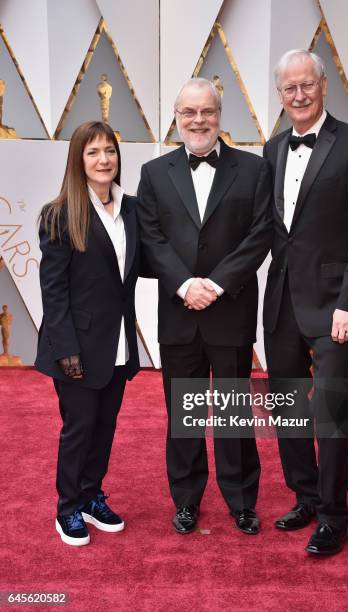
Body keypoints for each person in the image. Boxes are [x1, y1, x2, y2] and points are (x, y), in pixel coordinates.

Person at [137, 77, 272, 535]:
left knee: (234, 412)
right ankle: (187, 499)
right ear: (176, 118)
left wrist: (215, 284)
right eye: (189, 113)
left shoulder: (253, 169)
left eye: (207, 112)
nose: (198, 120)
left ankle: (241, 500)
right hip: (178, 314)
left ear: (220, 115)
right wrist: (183, 285)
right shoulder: (154, 174)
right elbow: (151, 238)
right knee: (184, 414)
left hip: (229, 309)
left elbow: (261, 234)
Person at [263, 50, 348, 555]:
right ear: (281, 94)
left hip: (335, 304)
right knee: (288, 407)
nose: (298, 95)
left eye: (306, 85)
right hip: (281, 301)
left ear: (323, 85)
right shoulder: (271, 150)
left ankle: (335, 515)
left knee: (330, 411)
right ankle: (306, 495)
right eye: (289, 88)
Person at [35, 121, 141, 546]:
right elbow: (53, 290)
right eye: (93, 152)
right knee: (78, 428)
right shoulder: (60, 214)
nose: (104, 160)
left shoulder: (131, 209)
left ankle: (92, 494)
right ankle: (67, 509)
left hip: (117, 342)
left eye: (110, 151)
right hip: (75, 346)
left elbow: (140, 265)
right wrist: (65, 348)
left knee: (105, 426)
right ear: (78, 160)